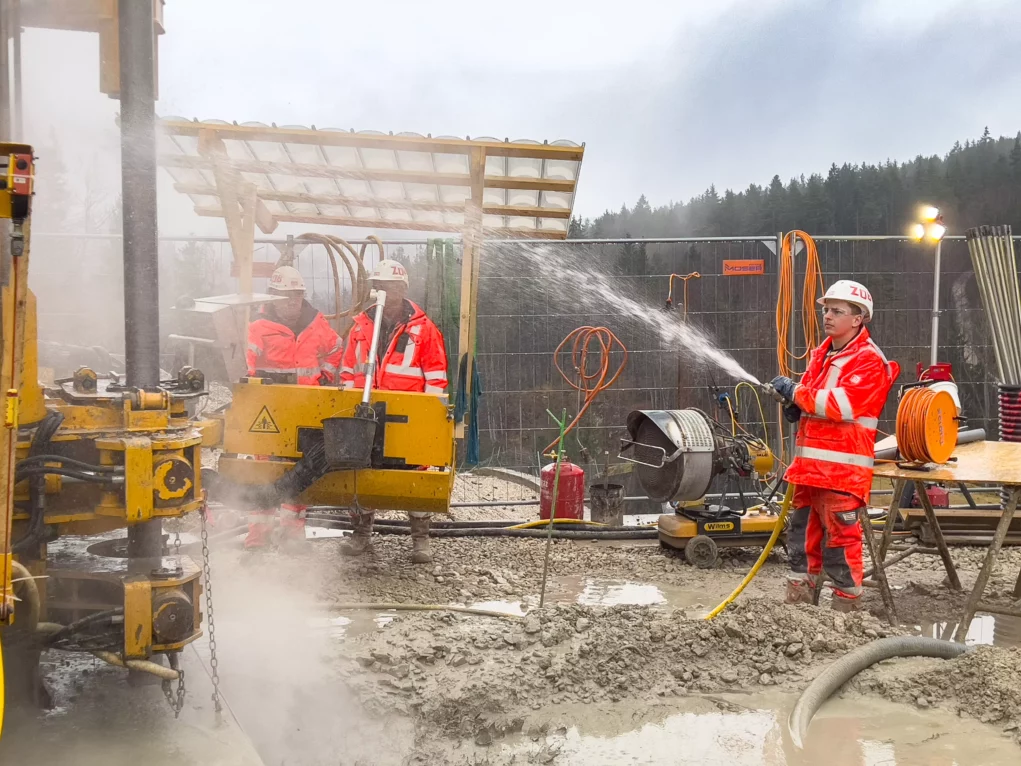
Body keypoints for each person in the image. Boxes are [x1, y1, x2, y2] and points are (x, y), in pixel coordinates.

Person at [770, 279, 899, 612]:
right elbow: (815, 401)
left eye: (837, 311)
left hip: (841, 473)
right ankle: (799, 607)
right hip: (809, 470)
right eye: (826, 309)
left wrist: (796, 393)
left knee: (841, 543)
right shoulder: (823, 353)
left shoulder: (869, 360)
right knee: (800, 538)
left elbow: (840, 406)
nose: (827, 316)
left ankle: (845, 613)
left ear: (858, 319)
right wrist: (797, 406)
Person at [338, 259, 449, 564]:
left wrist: (428, 417)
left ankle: (420, 540)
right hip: (367, 411)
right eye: (381, 286)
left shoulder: (424, 329)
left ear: (403, 288)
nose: (387, 292)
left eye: (392, 286)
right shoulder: (361, 326)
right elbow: (348, 370)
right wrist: (349, 403)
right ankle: (361, 534)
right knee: (362, 469)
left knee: (415, 473)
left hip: (408, 415)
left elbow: (436, 376)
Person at [244, 265, 344, 549]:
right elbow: (245, 364)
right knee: (264, 471)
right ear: (273, 297)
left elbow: (336, 348)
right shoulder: (258, 328)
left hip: (306, 408)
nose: (292, 301)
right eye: (286, 296)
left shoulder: (317, 325)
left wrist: (324, 376)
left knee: (301, 470)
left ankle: (291, 534)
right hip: (269, 411)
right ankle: (258, 536)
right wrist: (254, 386)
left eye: (297, 295)